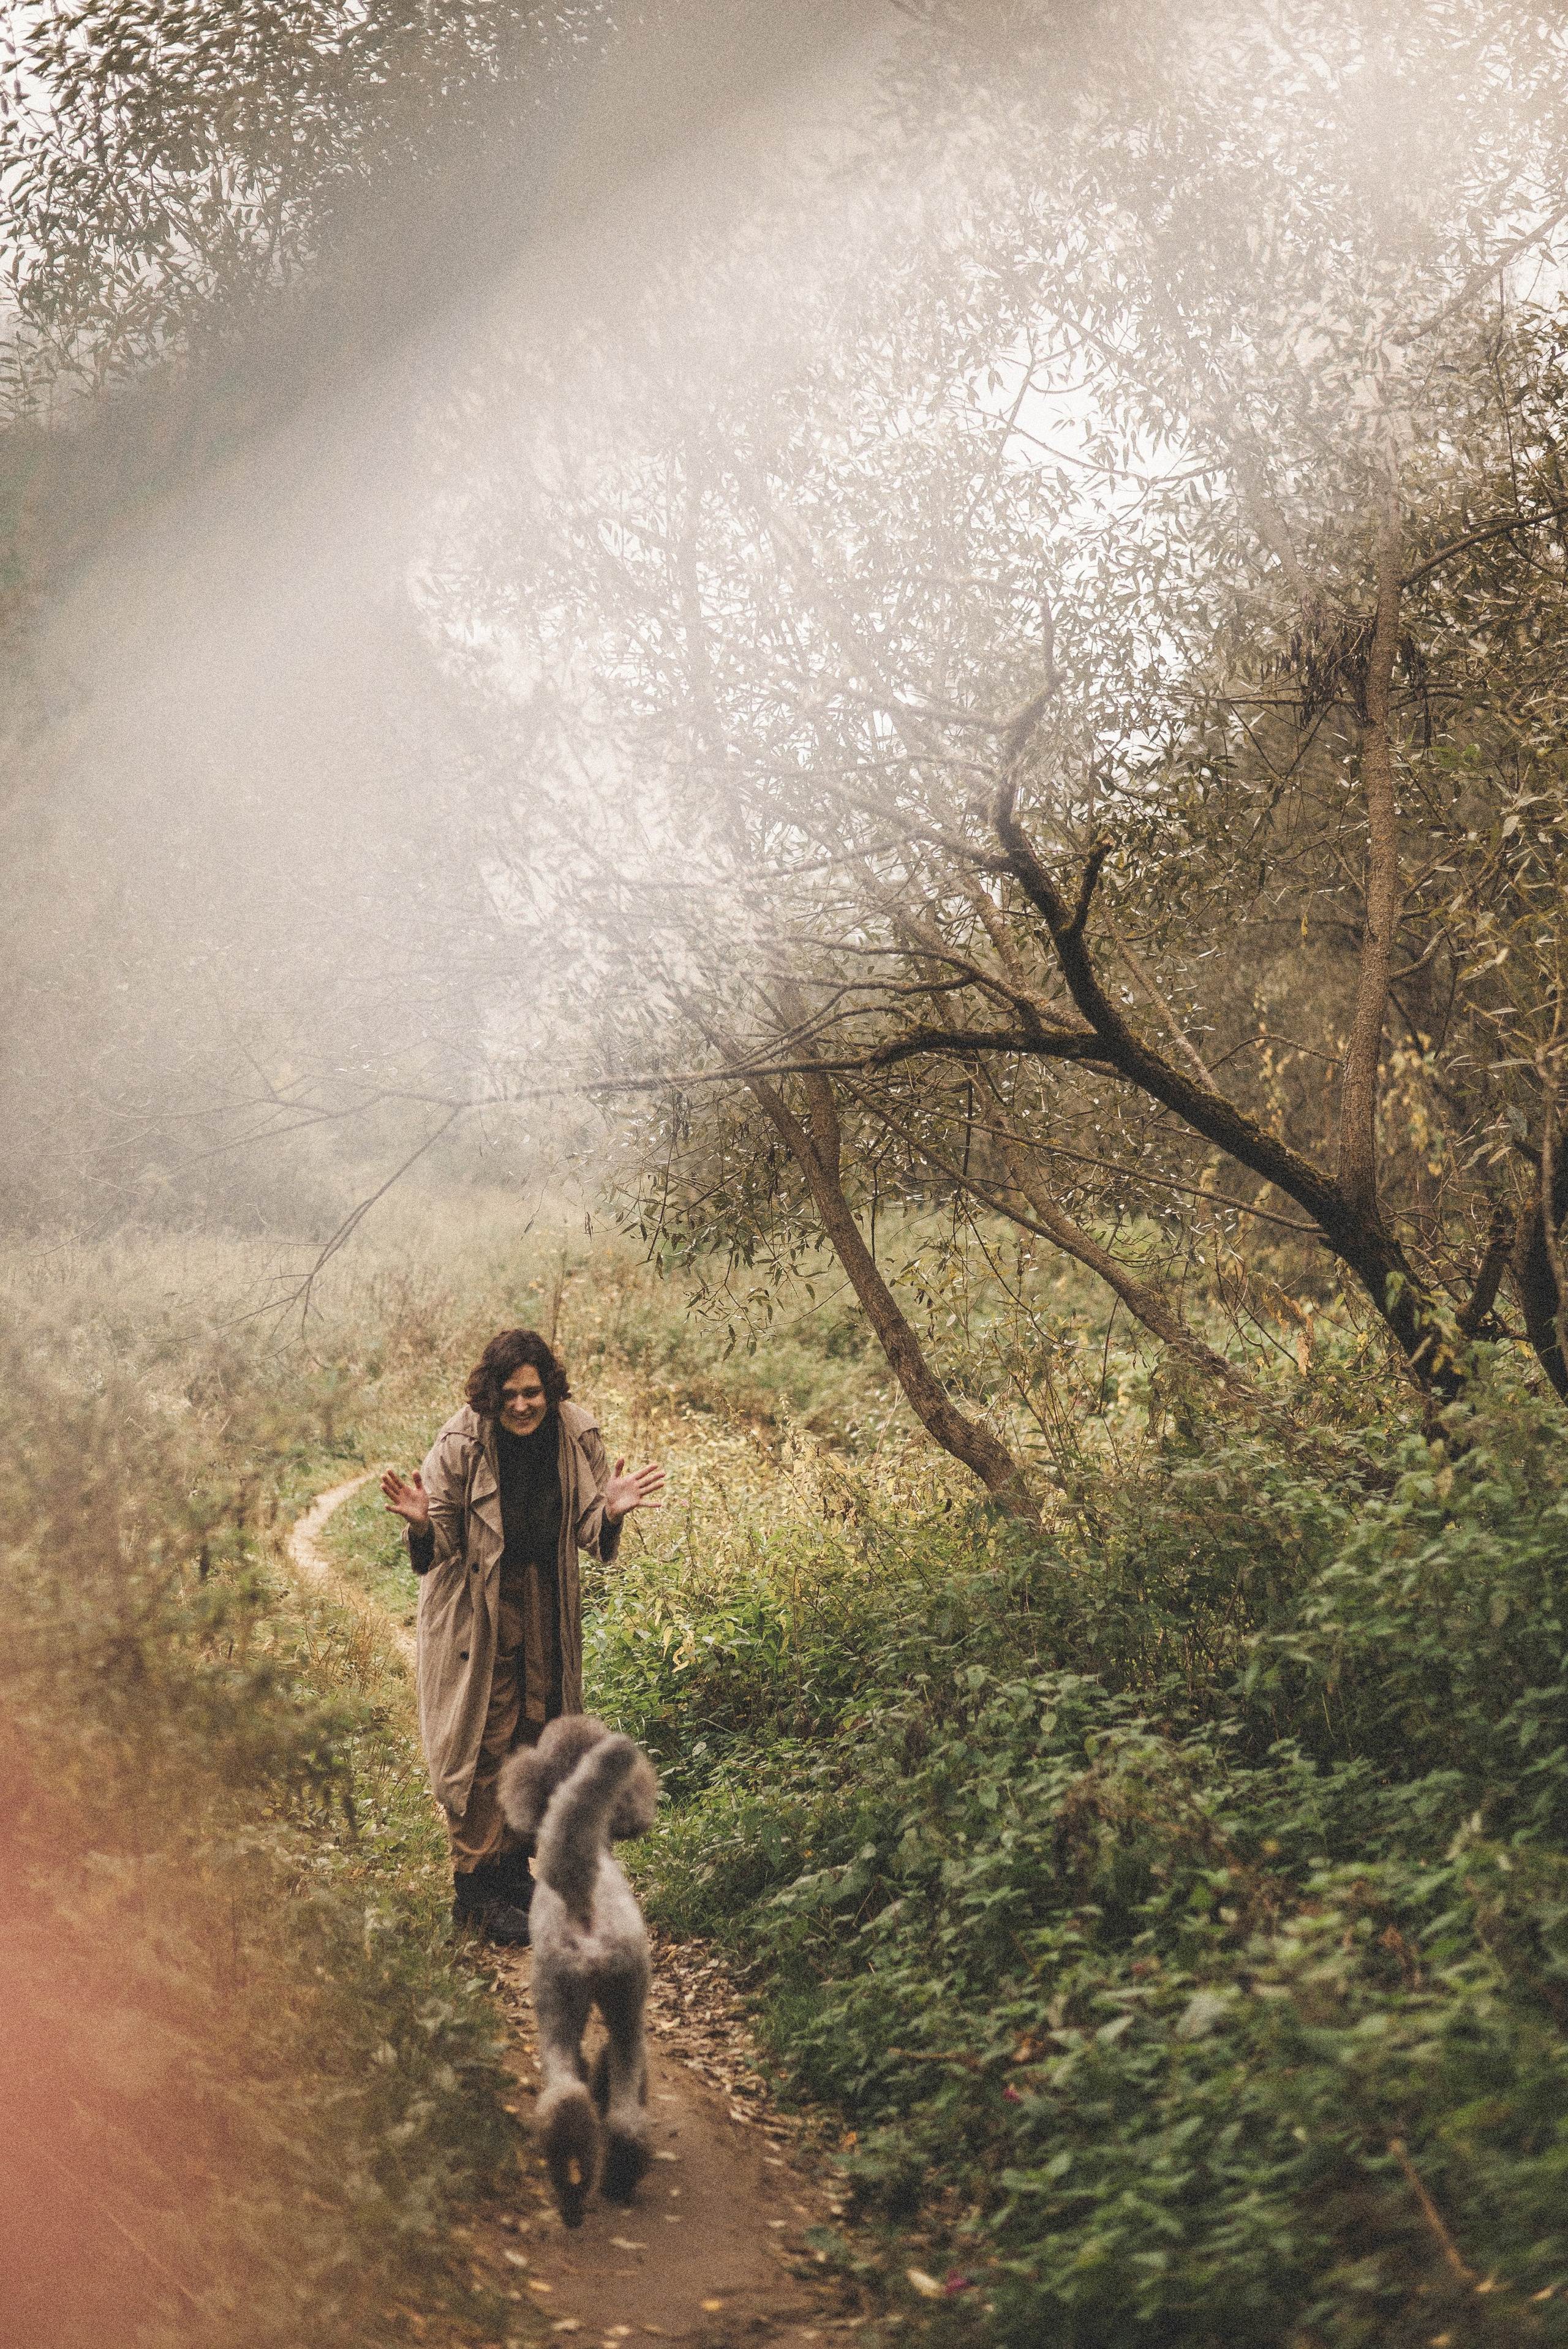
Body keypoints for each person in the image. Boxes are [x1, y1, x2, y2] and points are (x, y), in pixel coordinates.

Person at [381, 1327, 664, 1944]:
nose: (521, 1405)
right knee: (482, 1734)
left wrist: (611, 1511)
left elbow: (591, 1525)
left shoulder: (575, 1432)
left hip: (544, 1597)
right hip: (473, 1605)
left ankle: (512, 1870)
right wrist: (422, 1523)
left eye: (532, 1392)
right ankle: (475, 1888)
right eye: (509, 1393)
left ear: (549, 1390)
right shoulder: (460, 1440)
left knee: (535, 1728)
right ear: (491, 1392)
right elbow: (443, 1535)